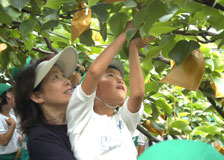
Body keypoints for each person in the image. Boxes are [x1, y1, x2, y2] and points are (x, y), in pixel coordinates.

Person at [66, 22, 153, 160]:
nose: (120, 80)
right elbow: (94, 72)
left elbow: (137, 95)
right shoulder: (81, 116)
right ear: (94, 88)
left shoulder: (123, 120)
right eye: (110, 75)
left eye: (121, 78)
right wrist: (126, 33)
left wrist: (134, 48)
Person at [14, 46, 78, 160]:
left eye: (63, 75)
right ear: (37, 96)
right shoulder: (41, 139)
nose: (67, 81)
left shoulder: (77, 124)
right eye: (55, 77)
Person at [0, 83, 21, 160]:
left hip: (16, 154)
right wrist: (12, 125)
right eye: (11, 94)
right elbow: (4, 141)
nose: (14, 97)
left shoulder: (11, 116)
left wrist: (18, 137)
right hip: (4, 157)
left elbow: (13, 133)